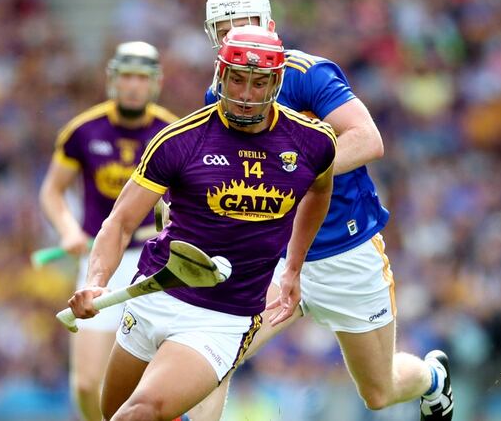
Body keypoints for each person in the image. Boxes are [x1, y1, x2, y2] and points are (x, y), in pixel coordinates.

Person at [188, 0, 454, 421]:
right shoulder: (217, 95)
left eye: (244, 23)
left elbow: (368, 139)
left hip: (342, 249)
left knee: (378, 391)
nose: (238, 36)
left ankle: (431, 379)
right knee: (213, 359)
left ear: (269, 26)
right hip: (271, 257)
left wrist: (299, 174)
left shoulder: (308, 74)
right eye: (225, 27)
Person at [67, 25, 337, 421]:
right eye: (237, 79)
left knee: (138, 413)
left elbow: (318, 191)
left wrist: (294, 265)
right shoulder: (179, 140)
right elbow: (120, 223)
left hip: (221, 318)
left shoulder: (313, 144)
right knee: (113, 415)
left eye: (259, 83)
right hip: (150, 297)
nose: (246, 95)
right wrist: (95, 281)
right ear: (220, 75)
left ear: (276, 82)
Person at [38, 41, 178, 421]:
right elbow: (52, 190)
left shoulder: (172, 131)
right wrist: (68, 230)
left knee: (156, 375)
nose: (133, 86)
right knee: (85, 383)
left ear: (157, 83)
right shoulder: (83, 131)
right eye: (126, 77)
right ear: (111, 80)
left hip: (153, 261)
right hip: (102, 259)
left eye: (142, 78)